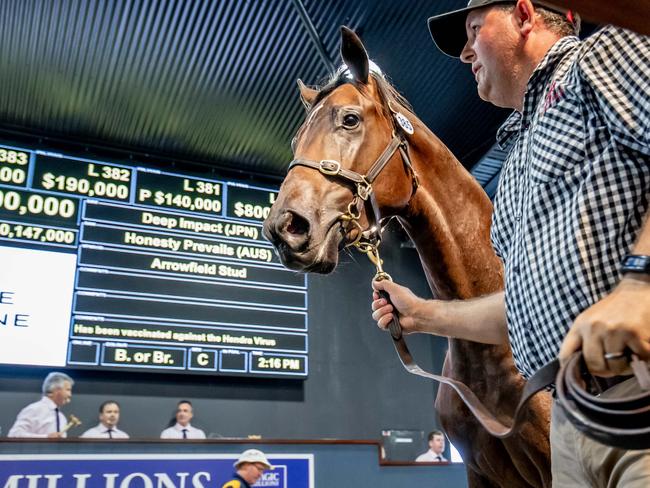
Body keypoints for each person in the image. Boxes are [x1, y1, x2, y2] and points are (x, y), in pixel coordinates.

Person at [372, 0, 649, 485]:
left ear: (524, 16)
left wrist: (641, 283)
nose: (463, 53)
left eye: (474, 29)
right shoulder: (516, 161)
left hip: (638, 392)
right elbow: (519, 310)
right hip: (570, 417)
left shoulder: (598, 57)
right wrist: (421, 315)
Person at [8, 372, 73, 438]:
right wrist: (46, 437)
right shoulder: (34, 409)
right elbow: (14, 434)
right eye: (68, 390)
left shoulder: (62, 417)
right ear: (53, 390)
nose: (70, 395)